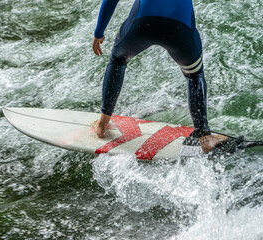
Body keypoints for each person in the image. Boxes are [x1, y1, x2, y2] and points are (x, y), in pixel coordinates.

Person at [92, 0, 228, 153]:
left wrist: (99, 32)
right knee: (194, 75)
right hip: (180, 28)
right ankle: (204, 137)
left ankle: (102, 124)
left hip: (141, 23)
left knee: (118, 60)